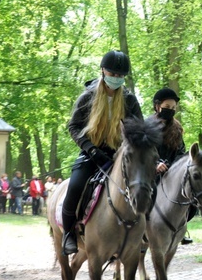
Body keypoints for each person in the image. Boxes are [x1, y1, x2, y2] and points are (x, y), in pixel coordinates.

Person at [61, 50, 143, 256]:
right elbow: (74, 127)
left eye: (120, 76)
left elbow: (139, 129)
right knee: (75, 186)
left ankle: (143, 232)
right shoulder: (87, 96)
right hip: (92, 153)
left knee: (145, 183)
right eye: (112, 74)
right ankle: (69, 234)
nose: (116, 78)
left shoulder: (129, 100)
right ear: (103, 71)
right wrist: (91, 150)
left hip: (121, 154)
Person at [150, 87, 192, 243]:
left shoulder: (178, 129)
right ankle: (139, 229)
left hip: (171, 173)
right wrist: (155, 164)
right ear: (157, 106)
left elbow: (181, 153)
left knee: (189, 198)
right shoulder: (148, 126)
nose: (171, 110)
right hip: (150, 172)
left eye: (173, 108)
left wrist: (174, 167)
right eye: (167, 107)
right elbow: (143, 151)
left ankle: (181, 229)